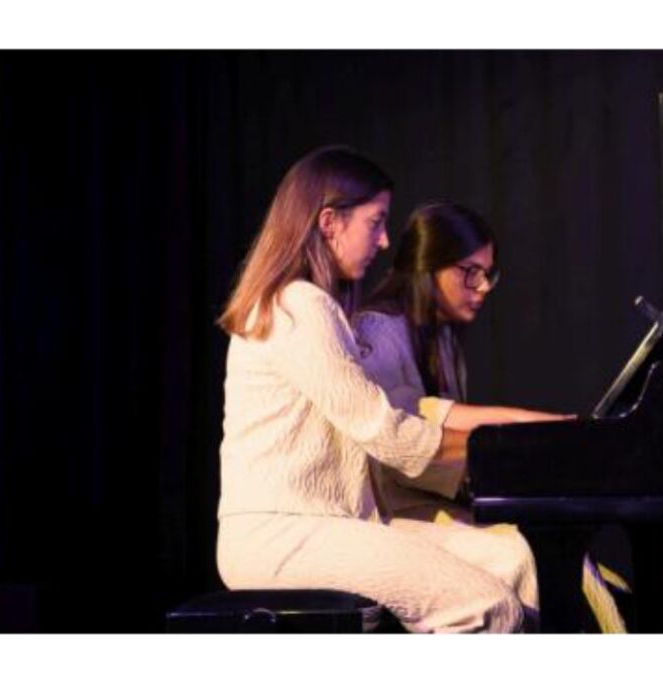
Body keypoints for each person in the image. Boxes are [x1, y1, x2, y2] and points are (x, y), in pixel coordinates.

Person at [215, 146, 536, 633]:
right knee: (486, 608)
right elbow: (384, 431)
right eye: (376, 221)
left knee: (514, 562)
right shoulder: (298, 305)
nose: (386, 240)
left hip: (337, 523)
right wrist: (503, 447)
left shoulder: (313, 306)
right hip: (284, 534)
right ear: (329, 222)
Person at [354, 202, 630, 633]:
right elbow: (416, 433)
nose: (483, 287)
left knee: (567, 559)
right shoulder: (377, 330)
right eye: (470, 272)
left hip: (428, 506)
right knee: (523, 556)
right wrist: (545, 427)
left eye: (488, 274)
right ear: (429, 265)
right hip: (390, 517)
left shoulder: (442, 339)